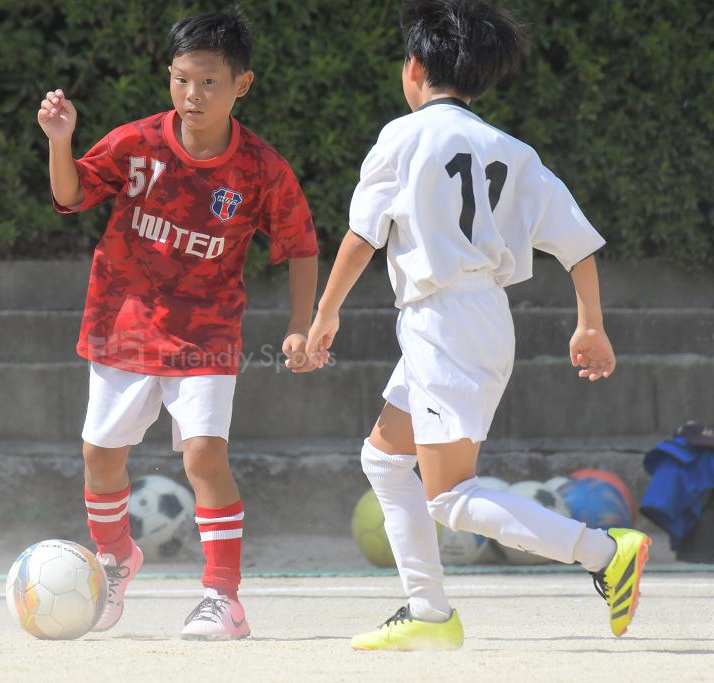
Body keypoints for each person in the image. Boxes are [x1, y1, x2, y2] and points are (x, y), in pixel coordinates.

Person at [305, 0, 649, 651]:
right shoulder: (511, 150)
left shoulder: (400, 138)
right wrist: (590, 325)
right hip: (475, 318)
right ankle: (430, 611)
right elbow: (577, 243)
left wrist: (325, 316)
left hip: (443, 324)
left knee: (451, 495)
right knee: (382, 458)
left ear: (413, 70)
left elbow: (360, 238)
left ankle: (604, 550)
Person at [38, 7, 319, 640]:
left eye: (209, 82)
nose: (193, 95)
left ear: (242, 85)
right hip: (122, 322)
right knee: (99, 458)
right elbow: (71, 195)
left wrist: (303, 324)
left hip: (207, 332)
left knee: (203, 458)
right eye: (181, 79)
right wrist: (61, 141)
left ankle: (224, 599)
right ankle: (115, 559)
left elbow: (300, 245)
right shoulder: (135, 143)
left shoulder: (260, 170)